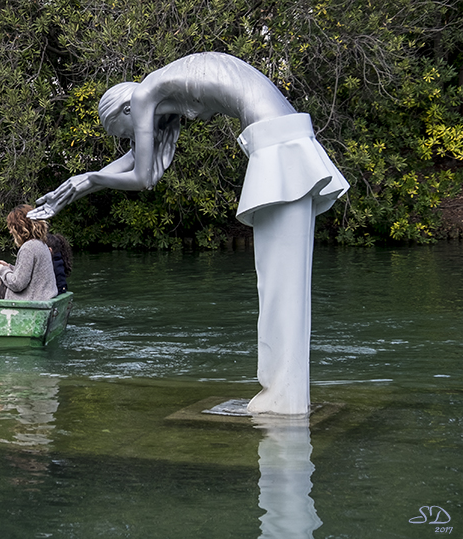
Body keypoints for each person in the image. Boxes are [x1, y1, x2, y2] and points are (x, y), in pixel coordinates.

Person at [29, 52, 349, 416]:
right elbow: (138, 163)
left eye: (127, 132)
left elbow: (140, 177)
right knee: (285, 286)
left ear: (128, 110)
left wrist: (87, 179)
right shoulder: (165, 90)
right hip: (285, 137)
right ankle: (288, 397)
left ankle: (282, 400)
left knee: (278, 287)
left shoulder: (147, 91)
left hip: (278, 147)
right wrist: (82, 184)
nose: (135, 137)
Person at [0, 205, 58, 301]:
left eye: (11, 227)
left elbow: (17, 284)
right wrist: (8, 267)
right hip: (42, 297)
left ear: (19, 227)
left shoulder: (28, 248)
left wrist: (2, 270)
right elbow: (29, 275)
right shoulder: (41, 244)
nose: (10, 232)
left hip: (32, 301)